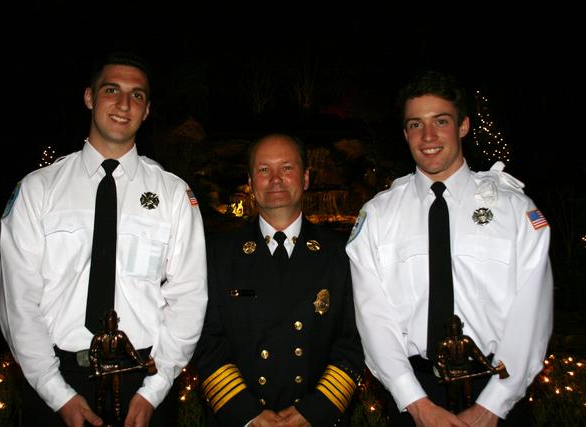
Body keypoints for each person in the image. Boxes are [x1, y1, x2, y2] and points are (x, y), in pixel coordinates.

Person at [0, 51, 208, 426]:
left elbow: (189, 297)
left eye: (137, 95)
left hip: (145, 383)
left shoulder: (173, 194)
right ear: (89, 98)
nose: (124, 104)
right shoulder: (38, 190)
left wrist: (155, 389)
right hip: (58, 378)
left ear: (147, 110)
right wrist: (54, 391)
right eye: (112, 90)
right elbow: (19, 301)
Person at [346, 70, 552, 426]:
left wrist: (493, 405)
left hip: (497, 389)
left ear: (463, 126)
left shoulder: (514, 209)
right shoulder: (379, 216)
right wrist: (417, 403)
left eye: (441, 121)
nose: (428, 136)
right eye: (415, 124)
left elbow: (531, 312)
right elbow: (373, 316)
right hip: (416, 395)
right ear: (405, 133)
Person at [193, 133, 365, 426]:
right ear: (250, 181)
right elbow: (205, 339)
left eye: (287, 168)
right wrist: (246, 413)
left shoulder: (343, 254)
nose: (275, 179)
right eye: (263, 170)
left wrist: (315, 411)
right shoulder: (217, 254)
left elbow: (355, 340)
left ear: (306, 178)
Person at [89, 309, 158, 424]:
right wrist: (96, 369)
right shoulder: (99, 337)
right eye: (108, 322)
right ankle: (98, 417)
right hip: (103, 368)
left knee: (117, 395)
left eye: (113, 321)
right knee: (100, 395)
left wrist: (140, 363)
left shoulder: (120, 336)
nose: (111, 324)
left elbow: (130, 351)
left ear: (116, 322)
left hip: (117, 367)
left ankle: (118, 418)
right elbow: (93, 354)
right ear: (104, 323)